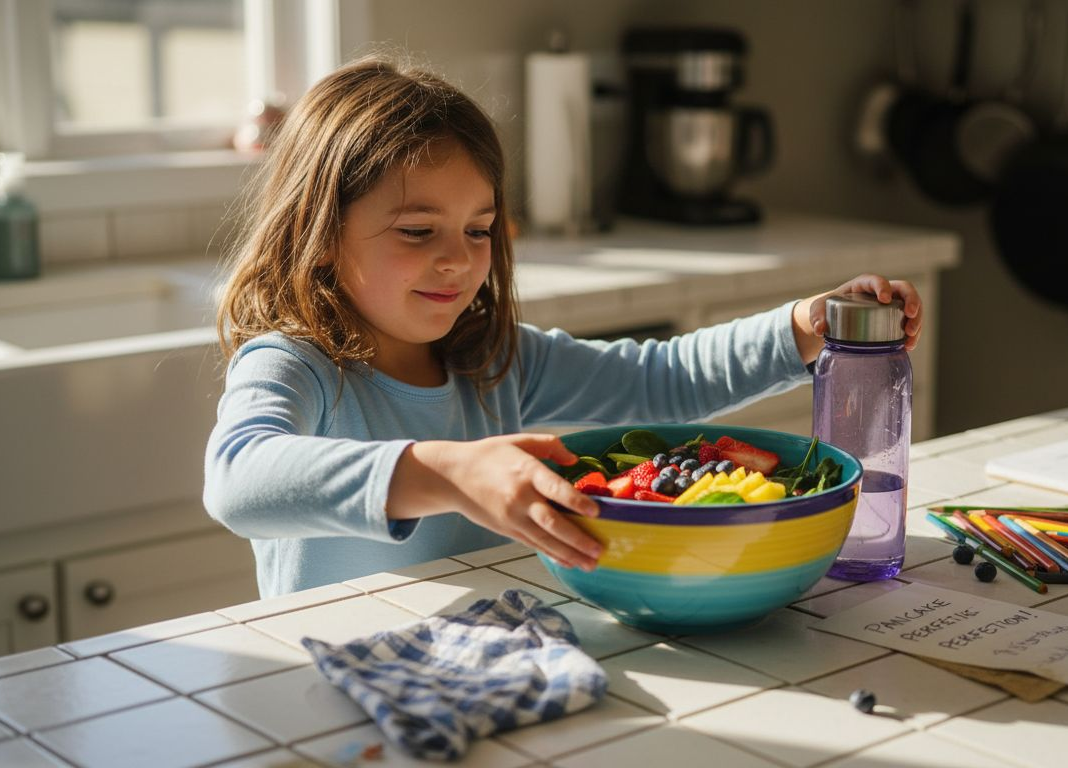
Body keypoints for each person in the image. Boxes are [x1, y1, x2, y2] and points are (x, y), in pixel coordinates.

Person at [205, 56, 923, 599]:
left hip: (474, 664)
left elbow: (661, 379)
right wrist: (449, 472)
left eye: (479, 230)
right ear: (320, 233)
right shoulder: (293, 362)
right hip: (332, 684)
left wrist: (803, 326)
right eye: (417, 230)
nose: (456, 258)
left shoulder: (494, 360)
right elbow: (238, 479)